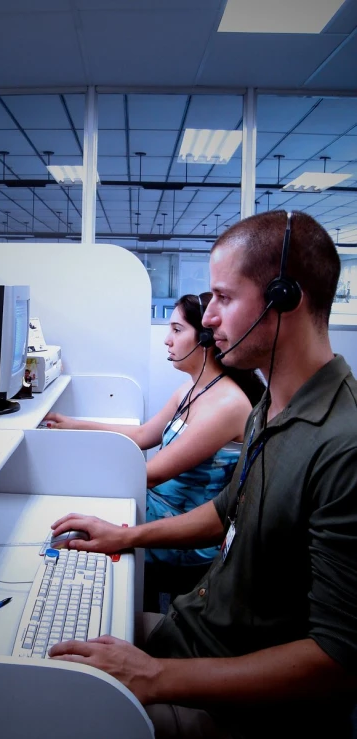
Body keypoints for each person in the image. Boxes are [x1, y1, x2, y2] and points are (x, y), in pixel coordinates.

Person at [48, 210, 357, 738]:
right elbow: (224, 511)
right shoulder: (272, 407)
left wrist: (156, 677)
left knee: (51, 713)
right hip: (194, 634)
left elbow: (336, 661)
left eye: (224, 298)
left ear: (286, 299)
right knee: (47, 658)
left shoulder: (343, 446)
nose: (209, 318)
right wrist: (125, 536)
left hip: (235, 706)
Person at [45, 293, 264, 607]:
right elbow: (141, 434)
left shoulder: (227, 405)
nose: (166, 340)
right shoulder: (192, 389)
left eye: (176, 330)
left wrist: (68, 467)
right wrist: (74, 425)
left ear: (205, 338)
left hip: (185, 537)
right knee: (79, 522)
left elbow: (149, 474)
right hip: (161, 510)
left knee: (76, 536)